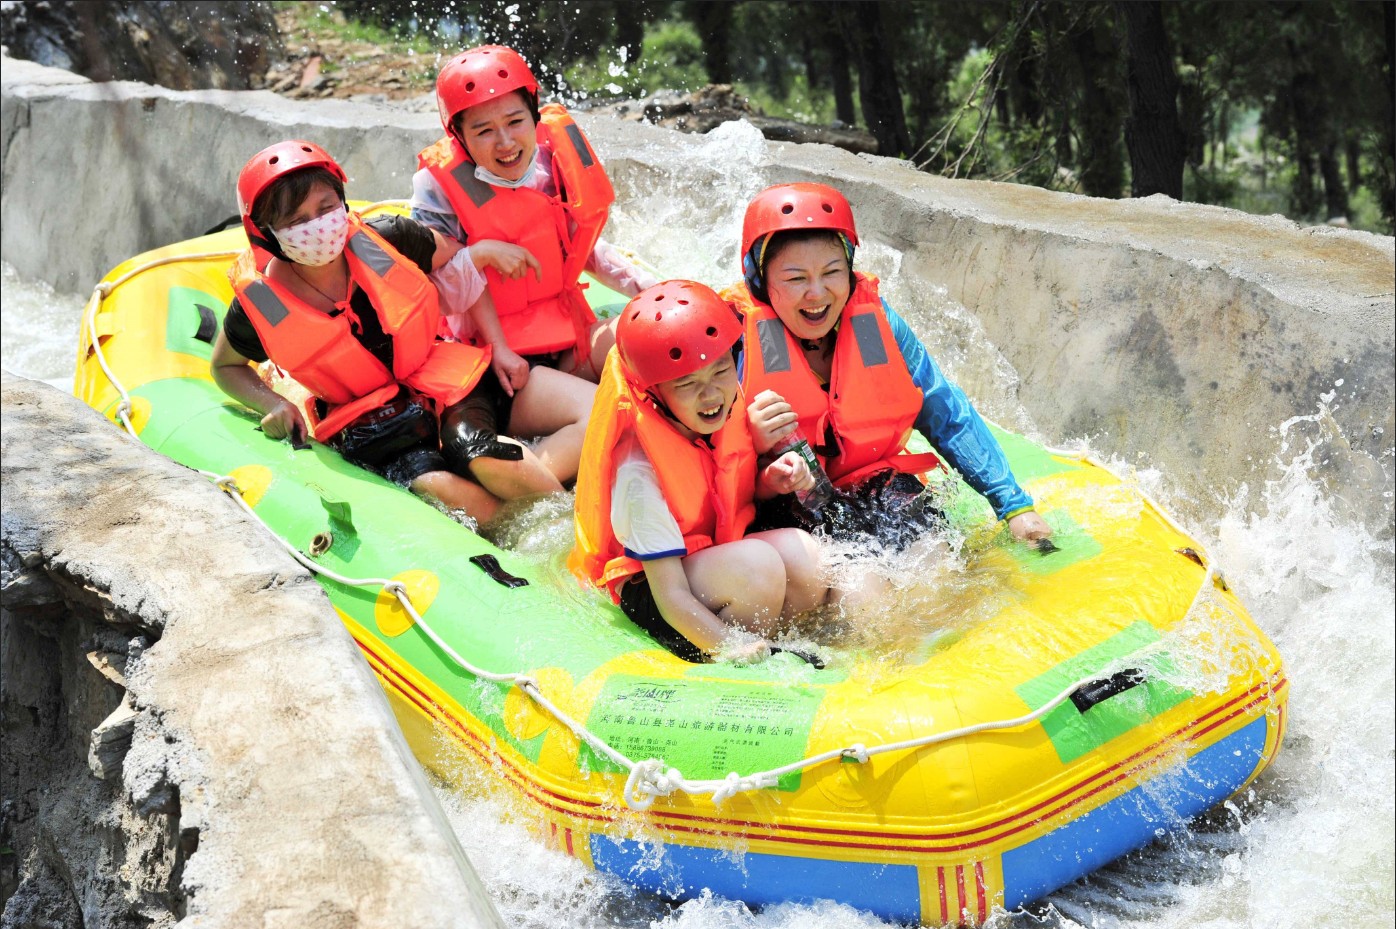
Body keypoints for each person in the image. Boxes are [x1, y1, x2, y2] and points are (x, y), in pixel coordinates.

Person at [211, 140, 577, 527]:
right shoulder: (261, 304)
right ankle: (514, 533)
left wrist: (498, 344)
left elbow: (459, 260)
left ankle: (567, 521)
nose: (317, 225)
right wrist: (272, 403)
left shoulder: (388, 237)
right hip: (369, 422)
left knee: (484, 452)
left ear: (341, 202)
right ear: (265, 232)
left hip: (440, 379)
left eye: (325, 207)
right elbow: (224, 366)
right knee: (435, 485)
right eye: (296, 220)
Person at [723, 183, 1053, 549]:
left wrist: (1014, 506)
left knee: (937, 554)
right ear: (760, 281)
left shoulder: (871, 325)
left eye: (832, 272)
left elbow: (943, 409)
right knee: (851, 578)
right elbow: (700, 463)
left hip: (876, 481)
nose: (816, 293)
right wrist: (750, 440)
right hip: (785, 496)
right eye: (795, 278)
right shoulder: (731, 339)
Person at [570, 281, 837, 665]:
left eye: (720, 371)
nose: (711, 395)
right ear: (653, 394)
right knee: (757, 567)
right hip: (657, 591)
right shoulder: (637, 474)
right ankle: (735, 658)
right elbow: (672, 597)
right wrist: (736, 650)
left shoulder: (719, 410)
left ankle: (777, 640)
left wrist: (768, 482)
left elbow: (722, 493)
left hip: (709, 559)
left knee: (807, 557)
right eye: (687, 384)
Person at [411, 43, 657, 387]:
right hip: (493, 361)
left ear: (534, 116)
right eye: (484, 131)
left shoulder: (551, 163)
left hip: (566, 337)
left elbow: (582, 246)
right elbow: (433, 294)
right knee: (587, 404)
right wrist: (479, 254)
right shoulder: (438, 186)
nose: (506, 143)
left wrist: (653, 290)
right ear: (459, 137)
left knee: (659, 333)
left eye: (515, 122)